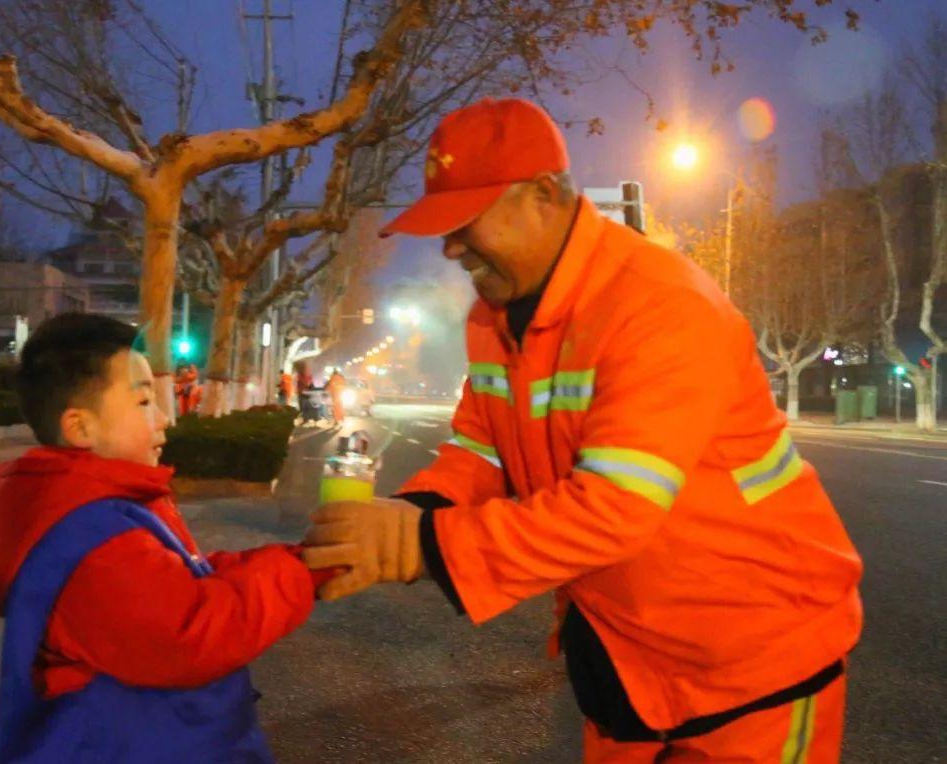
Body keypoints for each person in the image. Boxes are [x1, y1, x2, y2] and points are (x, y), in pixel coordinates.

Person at [303, 98, 863, 762]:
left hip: (752, 664)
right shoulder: (493, 319)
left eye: (466, 221)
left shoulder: (658, 304)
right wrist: (411, 510)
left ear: (544, 195)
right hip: (631, 664)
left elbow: (614, 508)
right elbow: (480, 451)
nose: (451, 247)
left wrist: (419, 543)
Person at [0, 313, 335, 762]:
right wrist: (302, 572)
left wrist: (308, 560)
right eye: (144, 402)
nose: (166, 419)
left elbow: (184, 578)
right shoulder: (86, 538)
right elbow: (188, 633)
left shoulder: (101, 506)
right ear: (80, 427)